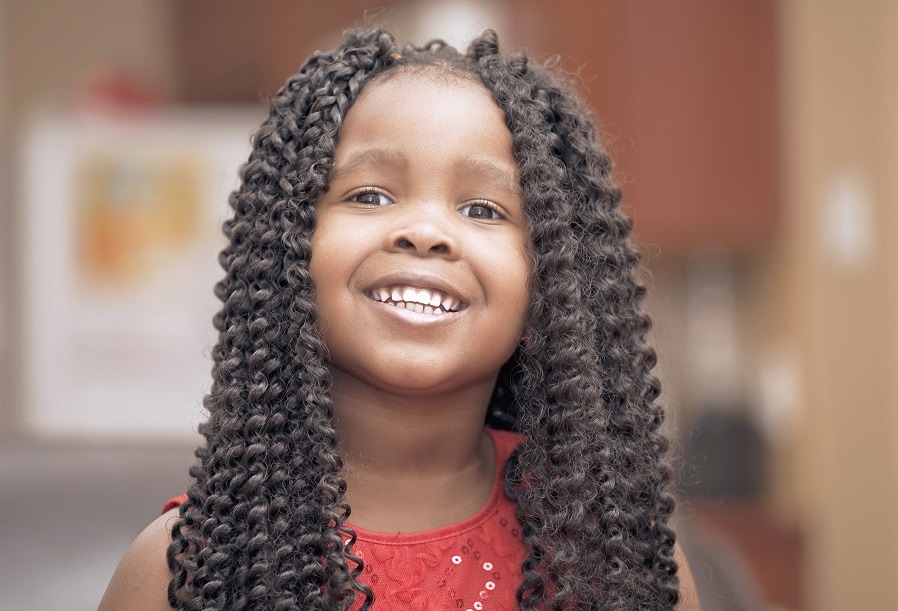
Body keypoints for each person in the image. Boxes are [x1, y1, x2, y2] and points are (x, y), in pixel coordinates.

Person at [100, 28, 699, 610]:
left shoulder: (613, 553)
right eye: (370, 196)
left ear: (555, 277)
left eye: (484, 209)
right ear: (286, 243)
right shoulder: (190, 565)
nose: (426, 232)